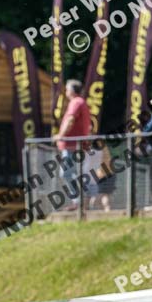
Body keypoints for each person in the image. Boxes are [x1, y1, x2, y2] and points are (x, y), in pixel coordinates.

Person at [54, 79, 92, 211]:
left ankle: (78, 202)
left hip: (72, 146)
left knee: (66, 173)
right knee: (75, 173)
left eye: (67, 89)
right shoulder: (81, 102)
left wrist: (60, 135)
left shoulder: (76, 102)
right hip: (76, 145)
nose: (65, 92)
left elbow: (70, 120)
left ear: (72, 91)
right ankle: (81, 202)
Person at [88, 143, 115, 211]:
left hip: (103, 175)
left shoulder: (98, 146)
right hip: (106, 174)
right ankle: (105, 213)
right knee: (101, 198)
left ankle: (107, 212)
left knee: (102, 197)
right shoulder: (101, 146)